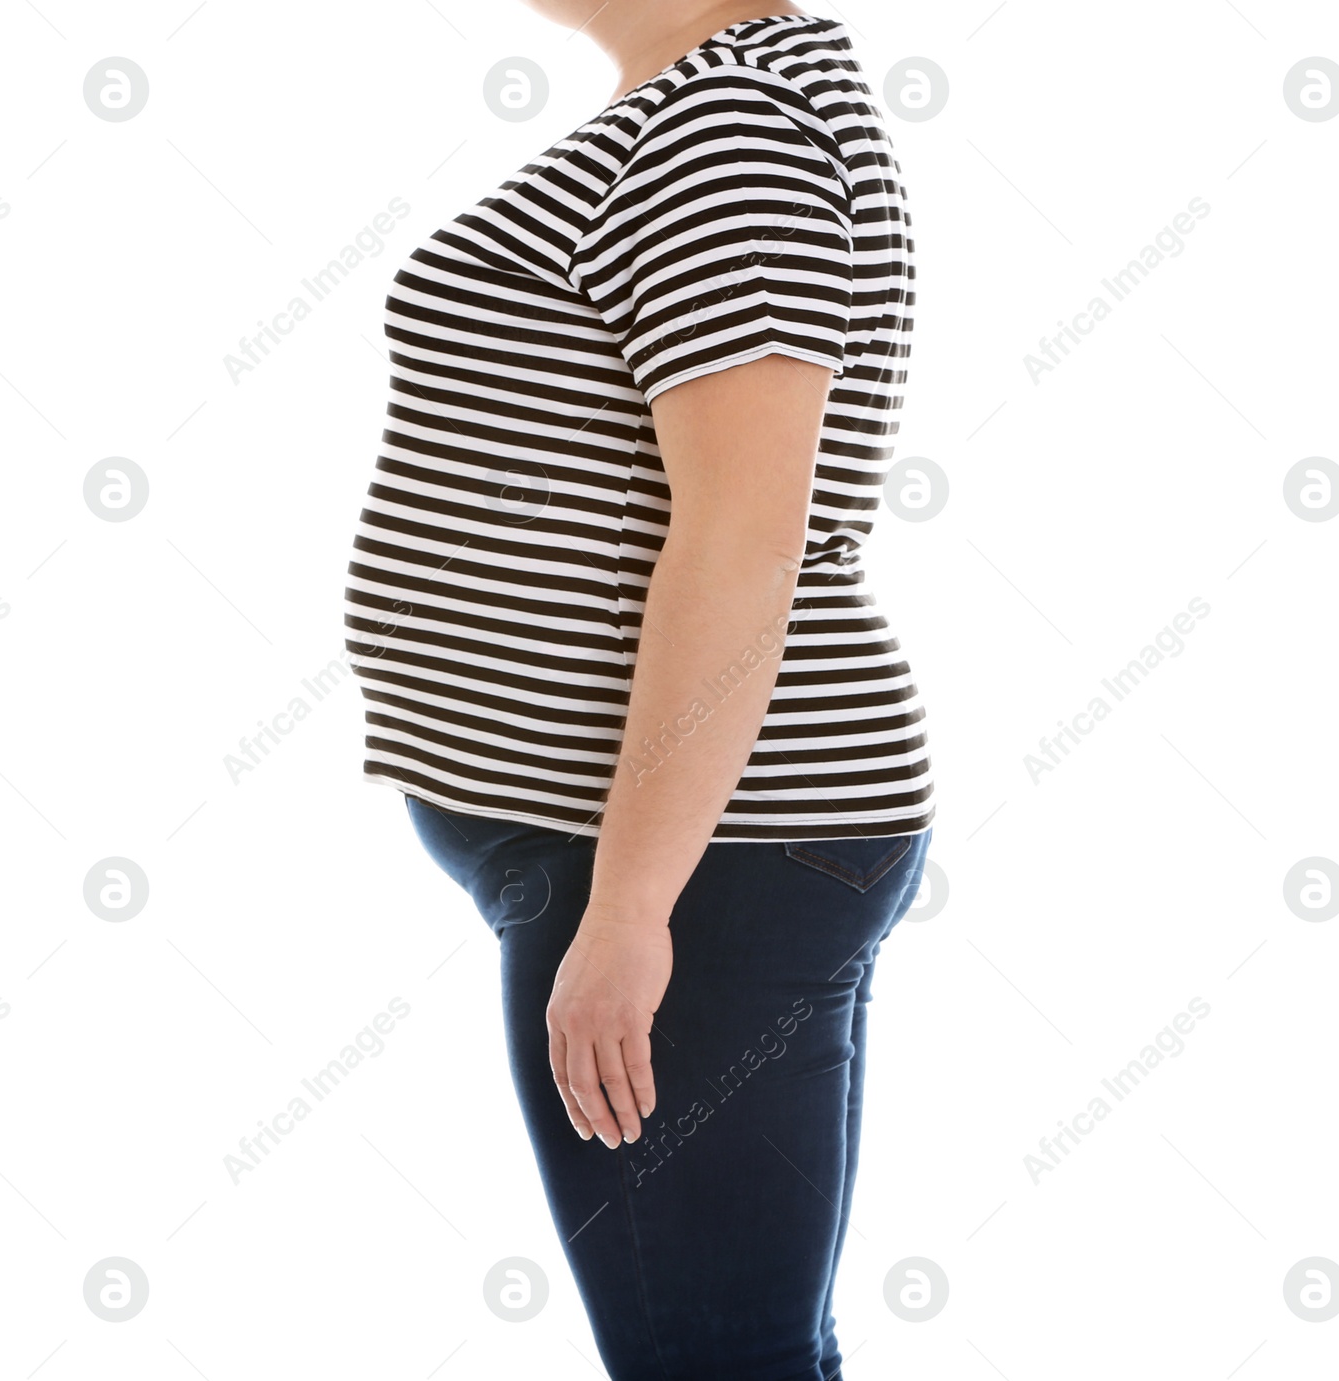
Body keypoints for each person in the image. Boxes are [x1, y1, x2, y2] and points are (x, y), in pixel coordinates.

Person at [343, 4, 936, 1376]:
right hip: (680, 853)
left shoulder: (730, 129)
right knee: (743, 1345)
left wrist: (629, 906)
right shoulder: (716, 109)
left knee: (709, 1357)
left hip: (700, 858)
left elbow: (743, 533)